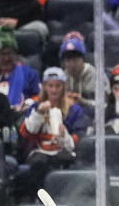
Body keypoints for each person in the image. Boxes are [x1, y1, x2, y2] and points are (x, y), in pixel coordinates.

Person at [18, 67, 90, 197]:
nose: (54, 90)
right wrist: (39, 113)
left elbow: (77, 142)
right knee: (40, 163)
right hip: (39, 153)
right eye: (50, 86)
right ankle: (37, 200)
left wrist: (63, 135)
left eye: (58, 86)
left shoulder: (74, 110)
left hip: (64, 153)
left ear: (63, 87)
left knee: (61, 161)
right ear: (44, 86)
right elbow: (28, 132)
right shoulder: (35, 106)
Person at [0, 28, 41, 112]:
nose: (6, 58)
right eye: (2, 54)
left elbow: (39, 97)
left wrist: (28, 104)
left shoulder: (30, 74)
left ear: (16, 54)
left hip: (22, 117)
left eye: (10, 53)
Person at [59, 32, 95, 106]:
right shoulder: (62, 76)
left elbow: (105, 106)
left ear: (83, 59)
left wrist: (83, 102)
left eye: (75, 60)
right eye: (68, 60)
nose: (72, 64)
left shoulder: (95, 76)